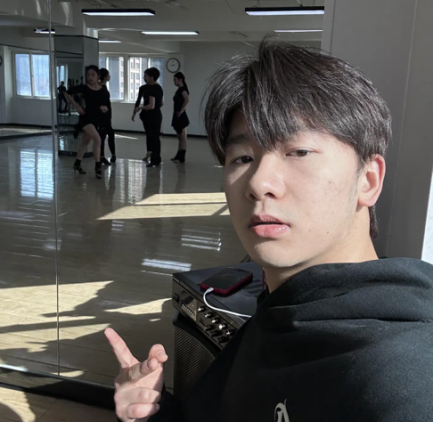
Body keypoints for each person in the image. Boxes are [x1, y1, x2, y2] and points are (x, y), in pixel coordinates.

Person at [105, 40, 433, 422]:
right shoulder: (280, 312)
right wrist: (153, 413)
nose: (259, 183)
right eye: (243, 157)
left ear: (368, 180)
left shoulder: (402, 380)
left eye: (298, 152)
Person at [65, 65, 110, 179]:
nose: (90, 77)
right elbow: (67, 92)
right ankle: (98, 167)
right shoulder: (84, 88)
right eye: (88, 75)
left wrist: (105, 108)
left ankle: (77, 164)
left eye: (93, 75)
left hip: (96, 119)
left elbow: (105, 104)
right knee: (97, 139)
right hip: (86, 118)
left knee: (85, 142)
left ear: (98, 76)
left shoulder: (103, 89)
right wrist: (77, 106)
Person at [132, 67, 164, 167]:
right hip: (154, 115)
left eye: (146, 76)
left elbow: (151, 105)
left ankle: (155, 160)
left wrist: (140, 108)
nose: (144, 77)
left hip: (152, 116)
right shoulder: (158, 88)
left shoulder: (153, 89)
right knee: (152, 136)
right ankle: (153, 157)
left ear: (152, 77)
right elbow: (161, 103)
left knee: (153, 137)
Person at [170, 72, 190, 163]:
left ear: (180, 79)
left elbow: (187, 100)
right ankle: (178, 155)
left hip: (181, 116)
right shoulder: (179, 90)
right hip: (177, 115)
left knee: (183, 137)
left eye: (175, 79)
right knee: (180, 137)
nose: (174, 81)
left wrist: (181, 111)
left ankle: (182, 157)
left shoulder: (183, 90)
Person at [99, 68, 117, 165]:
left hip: (106, 116)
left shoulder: (103, 87)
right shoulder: (101, 88)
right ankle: (103, 157)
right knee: (103, 136)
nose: (110, 76)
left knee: (108, 134)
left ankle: (112, 155)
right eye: (108, 75)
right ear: (105, 77)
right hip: (103, 117)